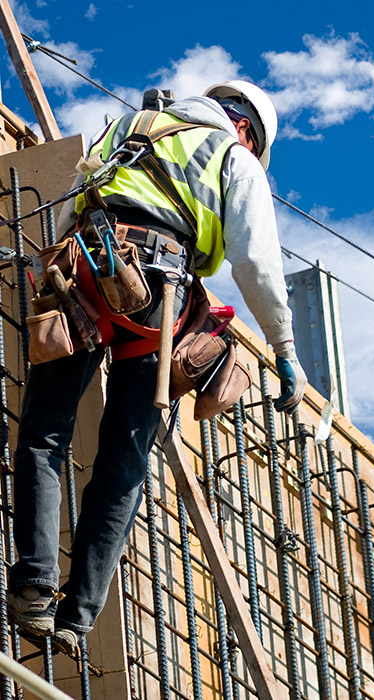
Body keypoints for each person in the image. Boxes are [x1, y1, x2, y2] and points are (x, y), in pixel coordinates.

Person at [6, 80, 307, 654]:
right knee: (124, 460)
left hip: (87, 271)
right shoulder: (233, 157)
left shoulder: (130, 128)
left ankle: (33, 587)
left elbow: (72, 205)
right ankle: (77, 616)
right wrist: (284, 349)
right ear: (247, 128)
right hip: (158, 300)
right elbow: (257, 262)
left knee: (46, 432)